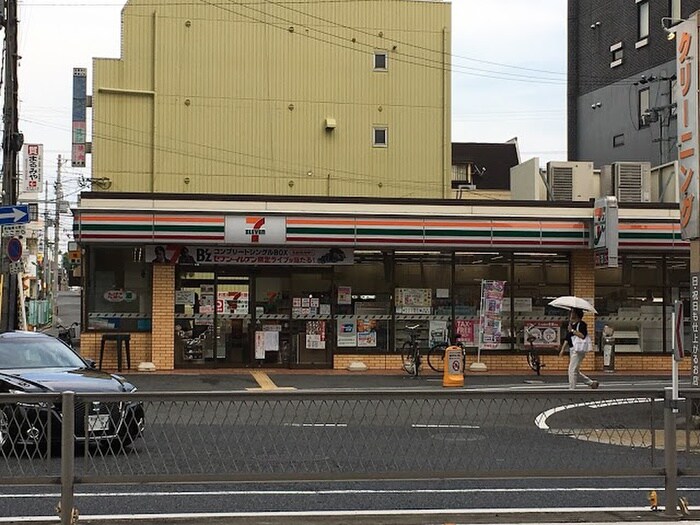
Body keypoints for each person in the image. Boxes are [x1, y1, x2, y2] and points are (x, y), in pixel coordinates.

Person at [559, 307, 599, 390]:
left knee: (571, 369)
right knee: (575, 370)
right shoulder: (571, 325)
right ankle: (591, 383)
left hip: (578, 350)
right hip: (572, 349)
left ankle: (572, 388)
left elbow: (582, 335)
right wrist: (562, 349)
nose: (571, 314)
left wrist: (573, 331)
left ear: (576, 314)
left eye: (572, 312)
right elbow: (568, 338)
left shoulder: (582, 324)